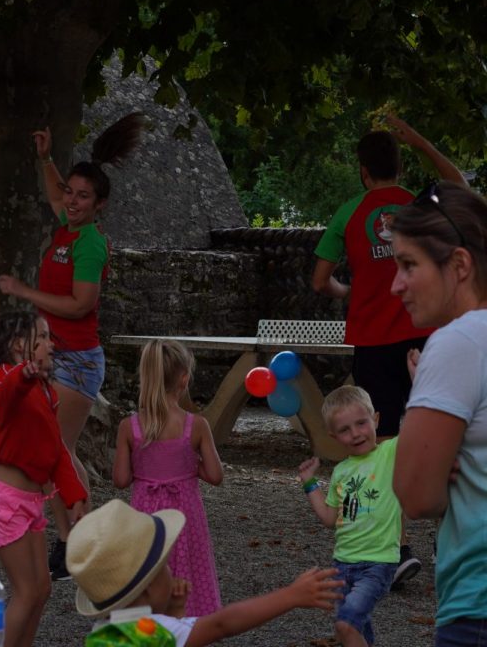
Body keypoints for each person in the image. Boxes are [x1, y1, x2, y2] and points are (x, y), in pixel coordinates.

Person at [311, 114, 466, 586]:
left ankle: (394, 549)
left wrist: (348, 292)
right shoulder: (419, 206)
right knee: (443, 433)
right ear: (400, 166)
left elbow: (320, 280)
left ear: (362, 170)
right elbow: (458, 182)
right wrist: (418, 136)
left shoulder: (349, 213)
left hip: (374, 341)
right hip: (425, 335)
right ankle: (456, 538)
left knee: (379, 445)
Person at [0, 112, 145, 580]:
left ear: (99, 205)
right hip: (54, 357)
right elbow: (56, 191)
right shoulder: (67, 225)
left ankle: (76, 542)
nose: (72, 201)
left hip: (76, 362)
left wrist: (24, 293)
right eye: (71, 194)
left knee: (54, 452)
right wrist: (45, 159)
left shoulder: (89, 244)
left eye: (84, 197)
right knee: (58, 453)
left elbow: (81, 305)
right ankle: (75, 539)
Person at [389, 182, 487, 646]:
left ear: (460, 265)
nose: (396, 284)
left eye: (409, 265)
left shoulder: (459, 341)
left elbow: (415, 496)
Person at [66, 498, 344, 647]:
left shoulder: (104, 633)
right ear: (148, 588)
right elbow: (221, 624)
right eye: (163, 565)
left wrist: (175, 609)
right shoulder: (151, 632)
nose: (170, 568)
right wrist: (291, 595)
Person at [0, 311, 87, 647]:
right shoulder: (4, 378)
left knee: (42, 589)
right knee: (26, 593)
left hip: (30, 501)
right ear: (17, 346)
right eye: (40, 339)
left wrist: (75, 498)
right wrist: (25, 374)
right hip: (5, 500)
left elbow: (56, 452)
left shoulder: (47, 392)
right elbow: (10, 390)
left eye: (48, 337)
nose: (49, 344)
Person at [112, 339, 223, 616]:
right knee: (188, 568)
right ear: (184, 379)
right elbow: (215, 475)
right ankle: (187, 621)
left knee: (146, 571)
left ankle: (146, 622)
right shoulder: (195, 425)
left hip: (145, 518)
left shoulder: (130, 427)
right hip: (185, 515)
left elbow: (121, 479)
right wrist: (188, 465)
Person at [298, 386, 403, 646]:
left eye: (361, 423)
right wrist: (310, 483)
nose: (355, 433)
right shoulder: (341, 472)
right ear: (333, 435)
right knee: (357, 629)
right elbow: (329, 518)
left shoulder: (390, 453)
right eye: (345, 429)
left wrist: (420, 379)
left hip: (378, 563)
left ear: (376, 419)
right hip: (342, 564)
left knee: (346, 622)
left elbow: (418, 424)